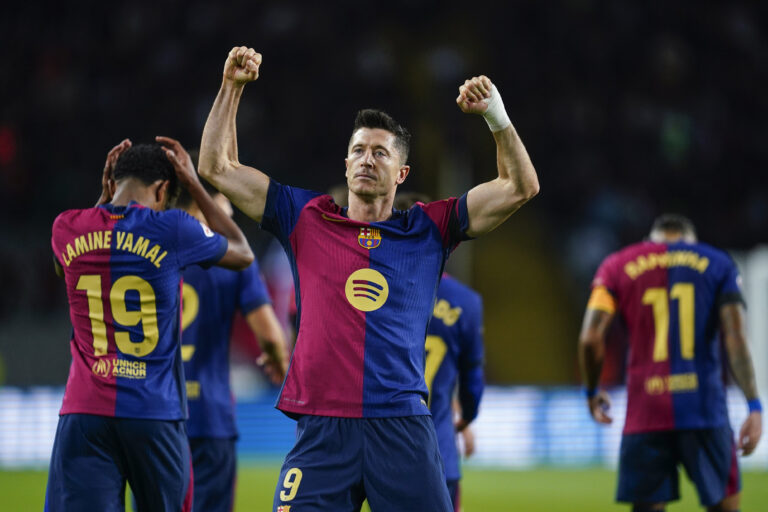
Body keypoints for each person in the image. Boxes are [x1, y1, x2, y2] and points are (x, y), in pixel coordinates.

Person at [199, 46, 539, 511]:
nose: (366, 159)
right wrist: (231, 87)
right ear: (345, 165)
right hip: (322, 429)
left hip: (400, 426)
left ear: (401, 173)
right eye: (357, 150)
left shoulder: (429, 227)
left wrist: (496, 117)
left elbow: (521, 187)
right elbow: (217, 167)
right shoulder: (305, 217)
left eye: (380, 152)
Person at [47, 137, 254, 512]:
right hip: (154, 412)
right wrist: (194, 184)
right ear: (162, 190)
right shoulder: (171, 228)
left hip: (84, 412)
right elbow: (242, 252)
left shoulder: (66, 227)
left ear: (112, 182)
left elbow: (64, 265)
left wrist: (103, 197)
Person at [578, 214, 763, 512]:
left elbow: (590, 338)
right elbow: (736, 337)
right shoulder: (718, 263)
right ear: (691, 241)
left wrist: (590, 390)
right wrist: (754, 405)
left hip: (645, 414)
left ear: (650, 239)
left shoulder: (616, 265)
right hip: (705, 411)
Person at [174, 178, 288, 511]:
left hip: (155, 414)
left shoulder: (148, 250)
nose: (229, 215)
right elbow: (269, 334)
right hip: (210, 415)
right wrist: (277, 363)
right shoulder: (233, 257)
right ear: (203, 202)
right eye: (224, 206)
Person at [394, 192, 485, 511]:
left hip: (383, 448)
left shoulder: (371, 286)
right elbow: (473, 377)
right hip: (439, 449)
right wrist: (467, 416)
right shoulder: (466, 301)